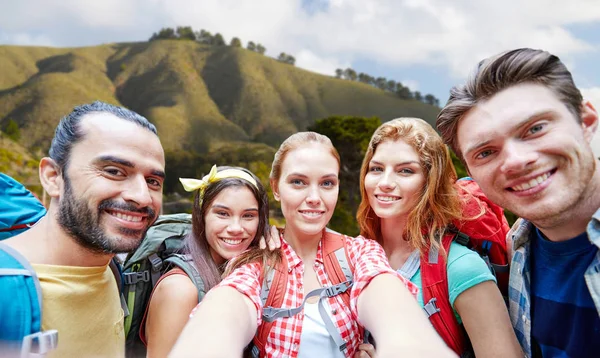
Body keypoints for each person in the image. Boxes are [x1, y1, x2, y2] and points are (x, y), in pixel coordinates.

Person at [170, 131, 455, 358]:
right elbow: (230, 303)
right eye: (298, 182)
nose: (314, 197)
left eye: (327, 183)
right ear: (276, 188)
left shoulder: (360, 252)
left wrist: (405, 341)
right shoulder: (257, 261)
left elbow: (383, 292)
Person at [437, 48, 600, 357]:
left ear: (587, 121)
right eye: (485, 152)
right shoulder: (517, 248)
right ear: (471, 174)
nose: (515, 161)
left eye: (535, 129)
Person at [0, 101, 165, 357]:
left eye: (153, 181)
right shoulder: (6, 289)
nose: (142, 197)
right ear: (53, 177)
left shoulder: (111, 269)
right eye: (114, 171)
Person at [355, 117, 522, 357]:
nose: (385, 183)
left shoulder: (460, 267)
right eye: (376, 169)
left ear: (429, 182)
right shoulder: (352, 256)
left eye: (405, 171)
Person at [143, 165, 270, 358]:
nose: (236, 228)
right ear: (202, 216)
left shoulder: (247, 268)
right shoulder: (179, 290)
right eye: (223, 213)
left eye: (248, 216)